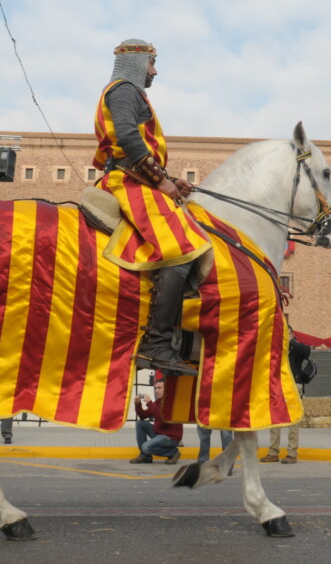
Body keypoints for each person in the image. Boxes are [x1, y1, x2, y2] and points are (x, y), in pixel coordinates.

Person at [93, 39, 210, 377]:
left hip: (137, 177)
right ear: (136, 63)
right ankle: (156, 344)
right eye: (151, 63)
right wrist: (160, 181)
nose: (154, 72)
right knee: (181, 246)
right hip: (128, 183)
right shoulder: (124, 90)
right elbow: (128, 140)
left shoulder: (128, 92)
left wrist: (170, 179)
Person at [261, 329, 310, 463]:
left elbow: (306, 352)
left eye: (286, 333)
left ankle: (292, 454)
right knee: (274, 420)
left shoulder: (297, 348)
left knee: (293, 421)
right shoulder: (275, 349)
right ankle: (273, 452)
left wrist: (291, 342)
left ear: (292, 335)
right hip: (277, 386)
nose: (283, 335)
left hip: (294, 386)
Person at [129, 381, 183, 464]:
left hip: (171, 437)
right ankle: (145, 456)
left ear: (167, 389)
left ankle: (173, 452)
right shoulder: (158, 402)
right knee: (140, 423)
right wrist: (138, 404)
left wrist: (150, 403)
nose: (156, 391)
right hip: (160, 434)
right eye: (155, 388)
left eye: (159, 388)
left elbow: (163, 418)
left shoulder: (172, 402)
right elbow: (143, 416)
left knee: (145, 447)